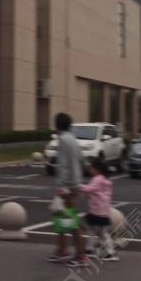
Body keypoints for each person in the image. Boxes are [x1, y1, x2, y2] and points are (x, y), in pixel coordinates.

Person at [48, 112, 89, 267]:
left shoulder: (63, 140)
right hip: (74, 184)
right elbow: (81, 160)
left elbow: (63, 166)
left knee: (71, 221)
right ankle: (62, 250)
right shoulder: (72, 139)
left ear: (57, 125)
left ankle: (81, 256)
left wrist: (62, 187)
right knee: (61, 217)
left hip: (68, 186)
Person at [80, 157, 118, 261]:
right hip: (103, 211)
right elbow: (93, 192)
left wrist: (76, 186)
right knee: (99, 231)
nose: (89, 169)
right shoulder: (105, 180)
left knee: (94, 230)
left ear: (97, 169)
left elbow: (89, 189)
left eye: (91, 167)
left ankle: (101, 251)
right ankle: (100, 251)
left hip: (97, 211)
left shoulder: (98, 179)